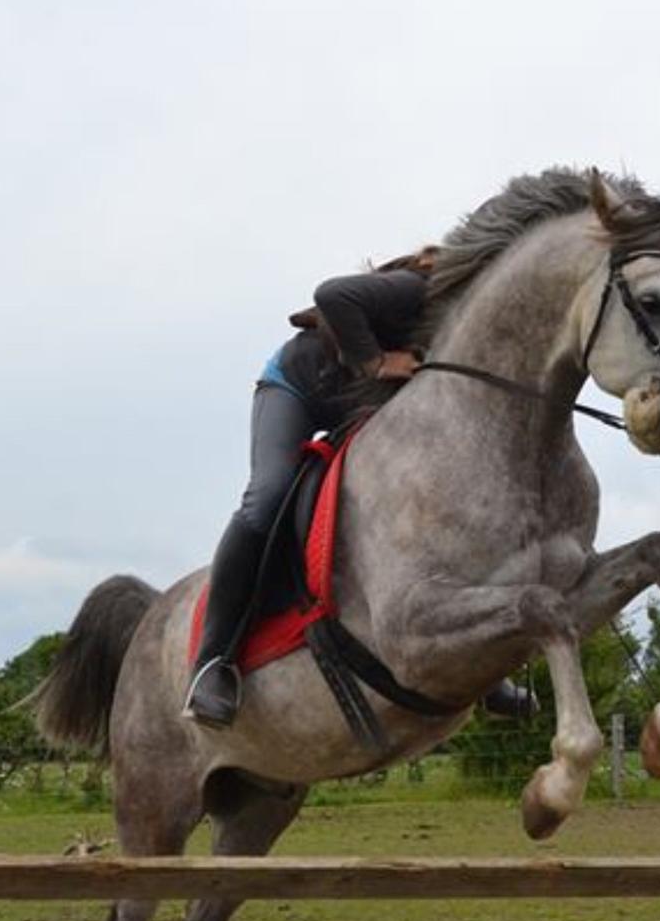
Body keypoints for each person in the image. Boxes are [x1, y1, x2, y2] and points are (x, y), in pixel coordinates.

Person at [182, 251, 534, 728]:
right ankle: (211, 662)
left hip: (353, 407)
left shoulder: (471, 327)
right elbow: (331, 294)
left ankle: (484, 673)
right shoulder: (417, 290)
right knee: (268, 497)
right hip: (296, 389)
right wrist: (374, 361)